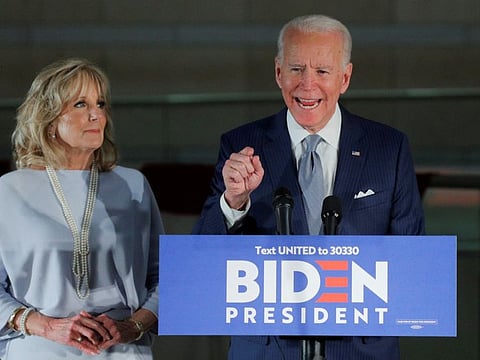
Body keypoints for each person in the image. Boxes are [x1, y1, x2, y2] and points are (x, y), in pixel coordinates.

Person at [193, 14, 425, 360]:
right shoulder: (241, 145)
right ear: (278, 73)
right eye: (297, 69)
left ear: (345, 78)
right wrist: (234, 201)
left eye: (322, 72)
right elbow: (203, 259)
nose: (307, 85)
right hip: (267, 350)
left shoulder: (388, 148)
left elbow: (412, 260)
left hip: (361, 350)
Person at [0, 58, 164, 359]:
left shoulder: (133, 185)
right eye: (80, 104)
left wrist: (132, 327)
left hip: (121, 351)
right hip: (39, 349)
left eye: (100, 104)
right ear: (48, 119)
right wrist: (46, 326)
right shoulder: (9, 190)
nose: (95, 115)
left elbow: (166, 278)